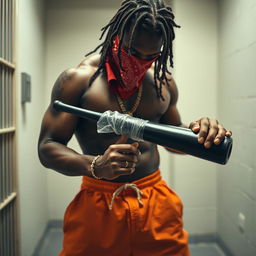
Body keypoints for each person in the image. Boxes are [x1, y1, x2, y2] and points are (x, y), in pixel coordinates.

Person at [38, 0, 232, 255]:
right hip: (99, 200)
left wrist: (201, 133)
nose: (139, 62)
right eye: (131, 51)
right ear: (116, 37)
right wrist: (95, 165)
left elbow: (174, 141)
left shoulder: (163, 85)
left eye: (151, 56)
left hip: (155, 200)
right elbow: (47, 147)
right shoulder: (78, 80)